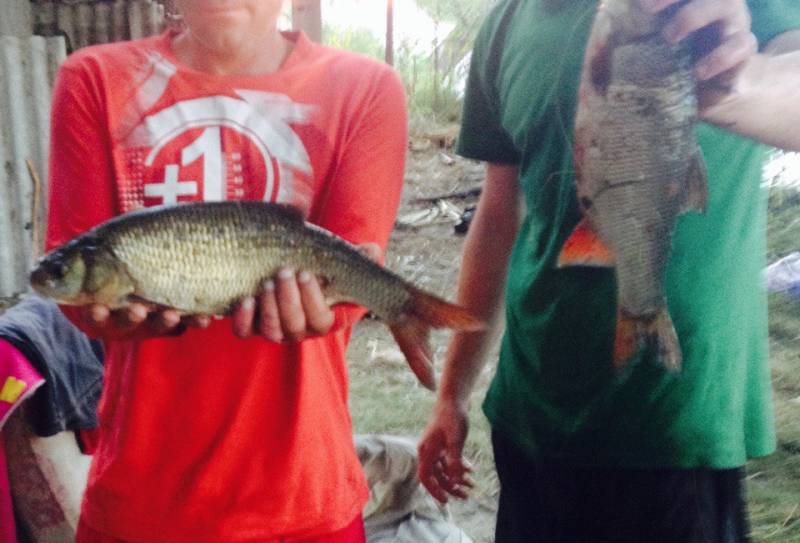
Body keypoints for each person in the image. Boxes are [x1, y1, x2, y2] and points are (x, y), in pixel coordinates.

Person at [416, 0, 800, 541]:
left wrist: (746, 83)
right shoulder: (508, 20)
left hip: (677, 422)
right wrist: (452, 393)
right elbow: (499, 214)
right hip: (531, 415)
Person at [45, 1, 407, 541]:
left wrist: (341, 306)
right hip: (142, 502)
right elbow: (81, 300)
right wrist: (109, 317)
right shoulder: (94, 78)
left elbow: (352, 282)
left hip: (301, 501)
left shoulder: (364, 86)